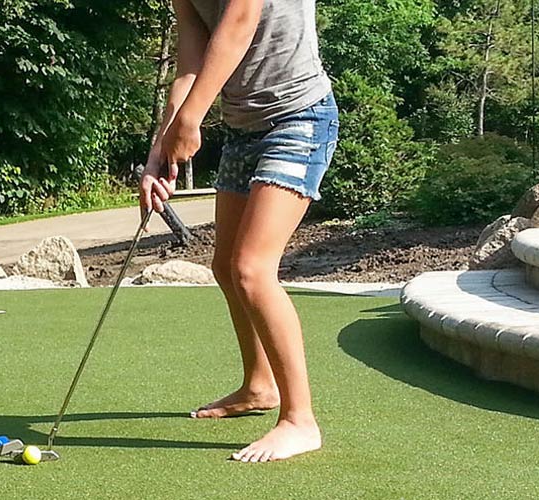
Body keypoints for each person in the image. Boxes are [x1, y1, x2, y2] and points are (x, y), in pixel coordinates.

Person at [141, 0, 336, 463]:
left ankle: (300, 421)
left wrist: (191, 121)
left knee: (252, 269)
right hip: (243, 128)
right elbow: (190, 62)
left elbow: (241, 20)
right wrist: (161, 148)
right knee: (226, 268)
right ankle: (259, 385)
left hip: (299, 118)